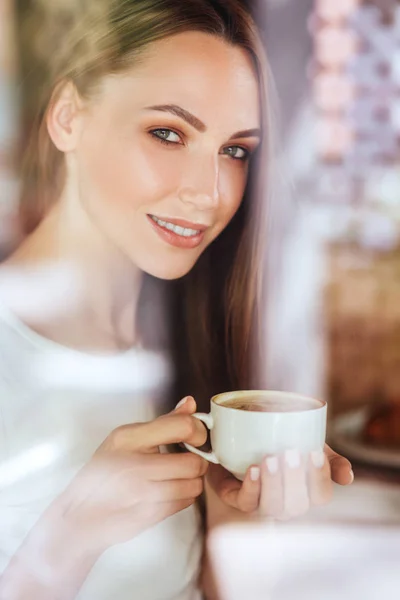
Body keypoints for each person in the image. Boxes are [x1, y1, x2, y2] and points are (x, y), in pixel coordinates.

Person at [0, 1, 354, 599]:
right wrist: (66, 539)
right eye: (168, 133)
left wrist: (247, 514)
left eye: (235, 150)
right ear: (68, 117)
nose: (208, 193)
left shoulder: (199, 341)